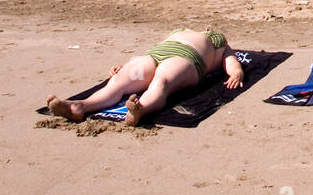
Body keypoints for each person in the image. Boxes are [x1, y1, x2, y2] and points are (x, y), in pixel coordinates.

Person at [47, 29, 244, 126]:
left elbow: (231, 60)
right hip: (154, 55)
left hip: (187, 58)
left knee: (162, 82)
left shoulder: (219, 41)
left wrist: (235, 72)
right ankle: (79, 106)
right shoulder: (179, 32)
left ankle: (141, 110)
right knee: (118, 81)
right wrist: (124, 66)